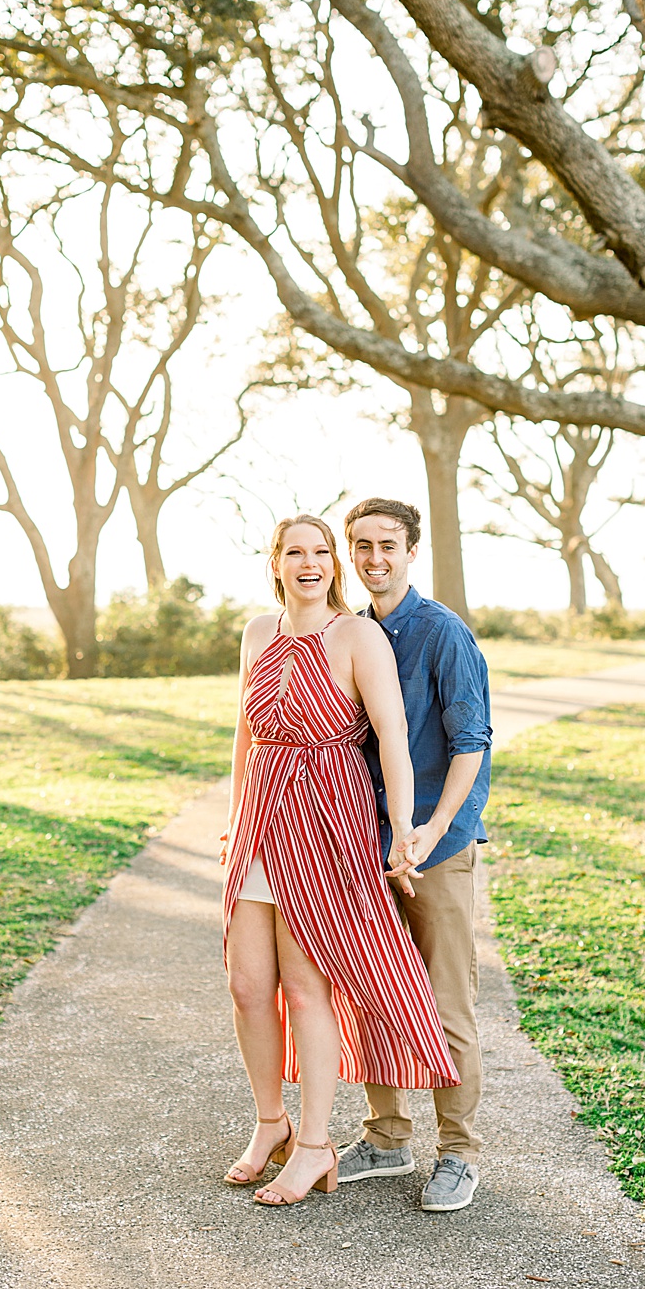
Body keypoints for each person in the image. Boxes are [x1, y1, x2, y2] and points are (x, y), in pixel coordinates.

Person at [220, 514, 459, 1207]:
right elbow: (245, 736)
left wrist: (402, 828)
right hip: (261, 816)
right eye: (296, 552)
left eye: (321, 552)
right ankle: (271, 1122)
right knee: (246, 984)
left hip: (327, 820)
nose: (310, 563)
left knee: (305, 989)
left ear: (334, 564)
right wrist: (234, 822)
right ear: (275, 562)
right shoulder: (257, 632)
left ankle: (316, 1144)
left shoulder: (357, 636)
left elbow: (391, 737)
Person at [334, 497, 494, 1213]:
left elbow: (471, 744)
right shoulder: (349, 632)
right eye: (362, 546)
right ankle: (387, 1136)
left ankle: (458, 1152)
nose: (374, 559)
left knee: (445, 1002)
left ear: (410, 552)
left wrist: (433, 829)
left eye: (387, 545)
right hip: (362, 843)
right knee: (375, 993)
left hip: (435, 848)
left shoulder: (442, 634)